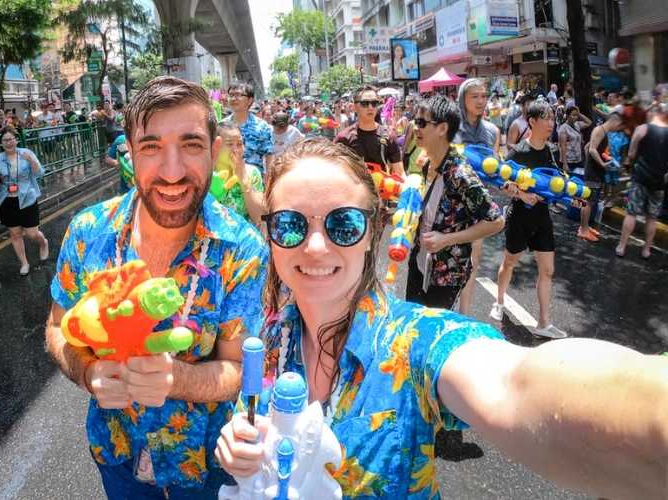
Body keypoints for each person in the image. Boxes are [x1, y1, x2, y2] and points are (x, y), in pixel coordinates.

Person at [214, 137, 668, 500]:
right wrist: (241, 447)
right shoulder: (272, 334)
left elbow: (517, 385)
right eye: (291, 225)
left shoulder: (414, 341)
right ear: (270, 233)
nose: (315, 247)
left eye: (343, 224)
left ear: (373, 232)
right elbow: (252, 426)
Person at [45, 76, 267, 498]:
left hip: (203, 470)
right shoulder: (87, 231)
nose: (172, 171)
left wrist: (176, 379)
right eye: (150, 147)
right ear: (128, 153)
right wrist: (88, 372)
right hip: (117, 455)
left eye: (191, 145)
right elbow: (57, 329)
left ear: (214, 152)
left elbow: (239, 369)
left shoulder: (244, 249)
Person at [406, 96, 504, 310]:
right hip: (419, 264)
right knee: (411, 330)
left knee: (434, 336)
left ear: (442, 129)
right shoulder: (429, 163)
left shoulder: (461, 175)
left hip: (446, 275)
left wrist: (447, 239)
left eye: (422, 123)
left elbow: (496, 221)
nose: (416, 128)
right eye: (415, 121)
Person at [491, 101, 577, 339]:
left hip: (542, 218)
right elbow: (502, 182)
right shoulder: (519, 152)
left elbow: (554, 183)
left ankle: (543, 322)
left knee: (548, 270)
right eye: (546, 119)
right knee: (510, 263)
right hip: (520, 217)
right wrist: (522, 194)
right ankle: (499, 302)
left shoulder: (550, 150)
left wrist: (572, 197)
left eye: (552, 119)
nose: (551, 123)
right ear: (532, 122)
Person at [450, 79, 503, 318]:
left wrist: (512, 186)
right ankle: (441, 313)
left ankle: (465, 316)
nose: (481, 101)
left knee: (471, 261)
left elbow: (496, 172)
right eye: (475, 96)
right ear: (463, 98)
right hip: (448, 202)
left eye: (483, 96)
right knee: (441, 259)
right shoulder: (447, 128)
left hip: (477, 207)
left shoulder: (492, 131)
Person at [0, 128, 48, 276]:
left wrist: (31, 161)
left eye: (11, 139)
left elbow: (40, 173)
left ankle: (43, 243)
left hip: (27, 198)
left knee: (32, 234)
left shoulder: (26, 154)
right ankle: (24, 263)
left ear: (16, 140)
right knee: (15, 234)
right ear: (1, 143)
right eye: (5, 140)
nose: (8, 143)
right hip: (7, 200)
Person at [616, 104, 668, 259]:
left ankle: (622, 247)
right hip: (659, 180)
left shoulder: (643, 129)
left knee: (632, 212)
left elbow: (631, 154)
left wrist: (629, 162)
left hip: (641, 177)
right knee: (651, 217)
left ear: (654, 114)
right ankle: (646, 250)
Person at [334, 85, 404, 177]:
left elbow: (399, 173)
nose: (370, 107)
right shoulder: (344, 138)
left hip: (380, 190)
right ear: (354, 107)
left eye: (374, 103)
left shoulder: (389, 135)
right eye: (364, 103)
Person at [579, 112, 624, 241]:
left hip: (595, 171)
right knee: (588, 201)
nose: (619, 128)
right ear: (614, 121)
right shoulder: (599, 130)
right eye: (619, 125)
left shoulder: (603, 132)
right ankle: (583, 230)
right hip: (593, 172)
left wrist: (604, 159)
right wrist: (601, 164)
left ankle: (585, 226)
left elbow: (589, 147)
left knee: (591, 201)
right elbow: (592, 149)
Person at [214, 121, 265, 225]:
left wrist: (243, 181)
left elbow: (260, 218)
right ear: (216, 146)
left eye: (240, 144)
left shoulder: (252, 173)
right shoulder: (206, 174)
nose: (236, 149)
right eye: (229, 144)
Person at [225, 82, 275, 180]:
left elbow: (269, 156)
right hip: (226, 185)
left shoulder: (262, 126)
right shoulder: (222, 126)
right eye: (231, 95)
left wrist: (271, 181)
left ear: (250, 100)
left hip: (254, 183)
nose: (233, 98)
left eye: (238, 95)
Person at [557, 106, 591, 174]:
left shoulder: (577, 125)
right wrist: (565, 164)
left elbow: (589, 122)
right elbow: (562, 146)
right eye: (573, 115)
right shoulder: (563, 129)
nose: (575, 117)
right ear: (567, 116)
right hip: (568, 160)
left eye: (576, 115)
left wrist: (579, 113)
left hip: (578, 159)